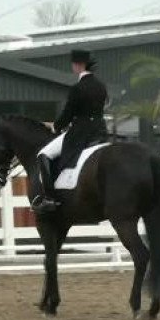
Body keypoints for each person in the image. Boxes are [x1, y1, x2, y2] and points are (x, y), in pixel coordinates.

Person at [31, 49, 108, 214]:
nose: (72, 67)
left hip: (80, 133)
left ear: (79, 65)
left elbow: (68, 114)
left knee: (43, 155)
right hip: (100, 132)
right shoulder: (101, 87)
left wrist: (56, 126)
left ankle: (50, 198)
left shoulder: (78, 88)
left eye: (73, 64)